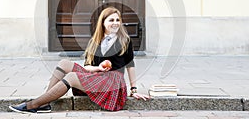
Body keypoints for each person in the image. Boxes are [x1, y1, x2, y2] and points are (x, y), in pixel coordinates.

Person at [9, 6, 149, 113]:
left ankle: (33, 105)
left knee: (71, 77)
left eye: (118, 20)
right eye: (111, 20)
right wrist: (98, 68)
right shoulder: (94, 42)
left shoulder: (125, 40)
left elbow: (130, 65)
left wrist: (134, 89)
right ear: (103, 23)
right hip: (97, 76)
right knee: (64, 63)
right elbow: (87, 67)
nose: (115, 23)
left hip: (113, 82)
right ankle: (44, 103)